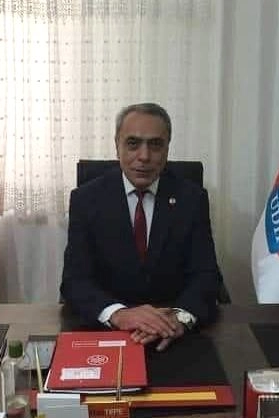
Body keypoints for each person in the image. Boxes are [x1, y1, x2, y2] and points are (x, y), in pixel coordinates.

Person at [60, 102, 221, 351]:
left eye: (155, 145)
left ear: (167, 148)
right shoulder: (86, 199)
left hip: (172, 335)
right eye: (133, 143)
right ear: (117, 145)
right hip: (109, 333)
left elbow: (206, 275)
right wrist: (118, 314)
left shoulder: (192, 199)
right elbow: (75, 280)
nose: (144, 156)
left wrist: (180, 317)